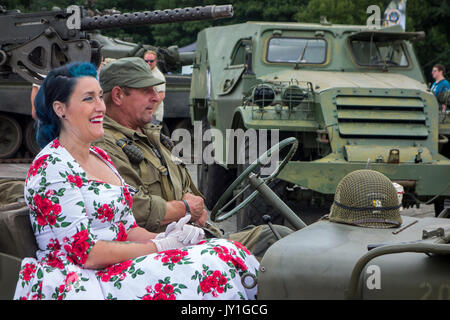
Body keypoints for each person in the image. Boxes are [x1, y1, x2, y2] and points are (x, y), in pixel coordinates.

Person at [14, 62, 259, 300]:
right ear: (60, 109)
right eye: (88, 98)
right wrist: (161, 247)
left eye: (100, 96)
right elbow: (86, 254)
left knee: (228, 251)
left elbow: (129, 229)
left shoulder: (99, 157)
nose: (100, 107)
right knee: (211, 266)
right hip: (83, 278)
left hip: (116, 267)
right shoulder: (52, 167)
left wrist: (167, 236)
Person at [93, 57, 293, 260]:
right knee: (278, 245)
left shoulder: (150, 136)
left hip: (197, 239)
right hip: (167, 251)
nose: (156, 98)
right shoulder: (104, 145)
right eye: (146, 91)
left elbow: (188, 187)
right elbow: (132, 207)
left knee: (281, 239)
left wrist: (192, 204)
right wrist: (186, 208)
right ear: (118, 95)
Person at [143, 50, 166, 125]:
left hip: (154, 114)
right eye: (146, 61)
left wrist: (151, 111)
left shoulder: (158, 76)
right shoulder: (146, 73)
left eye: (151, 61)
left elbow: (161, 95)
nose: (149, 63)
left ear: (156, 61)